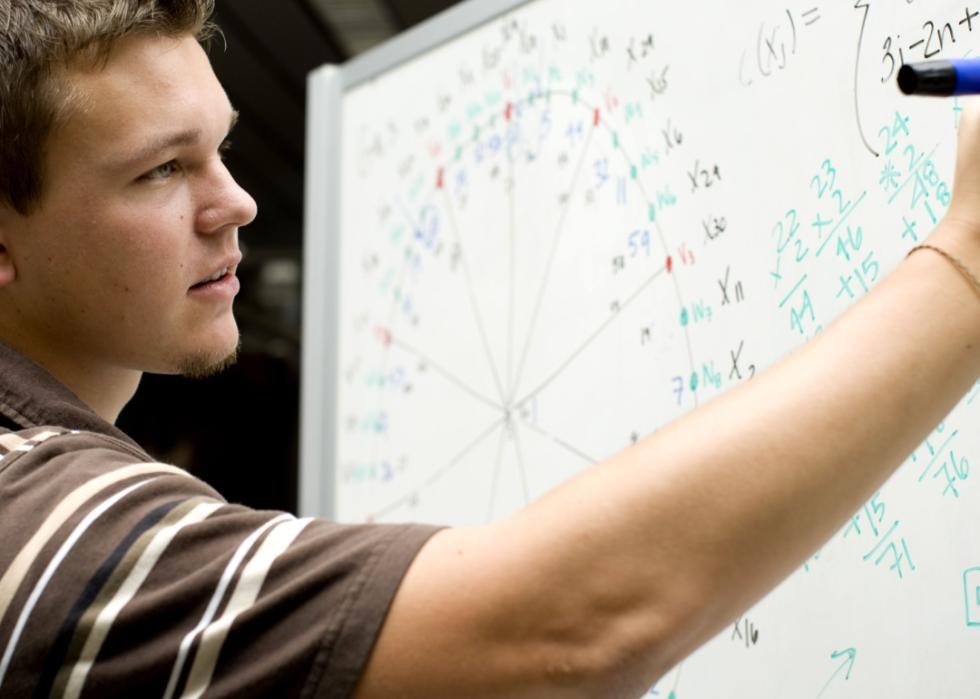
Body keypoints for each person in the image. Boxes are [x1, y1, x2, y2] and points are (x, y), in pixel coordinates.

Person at [1, 1, 978, 698]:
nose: (237, 202)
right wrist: (962, 265)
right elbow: (561, 633)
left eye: (220, 149)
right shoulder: (38, 518)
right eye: (162, 169)